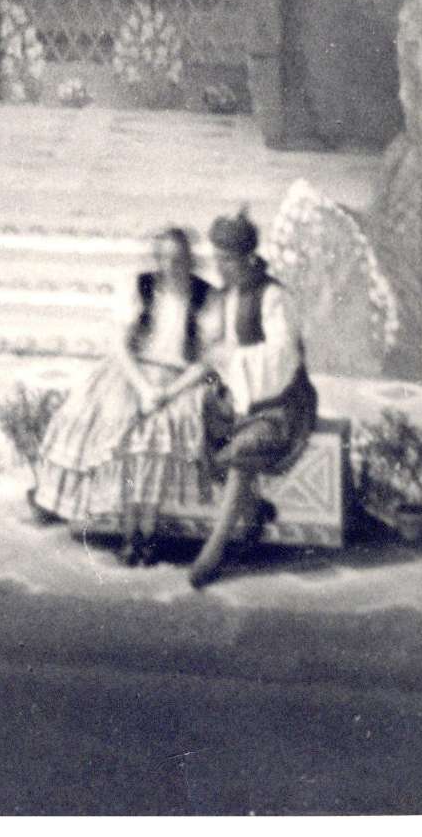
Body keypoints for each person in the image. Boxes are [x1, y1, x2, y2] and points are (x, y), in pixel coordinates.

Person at [28, 228, 217, 565]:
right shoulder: (140, 288)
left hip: (181, 382)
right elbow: (119, 347)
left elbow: (207, 361)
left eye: (179, 258)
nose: (171, 266)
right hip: (133, 374)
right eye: (164, 258)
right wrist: (144, 389)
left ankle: (148, 533)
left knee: (156, 446)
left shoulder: (206, 297)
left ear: (190, 258)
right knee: (123, 438)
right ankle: (131, 533)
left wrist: (168, 393)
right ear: (156, 259)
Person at [187, 208, 318, 590]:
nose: (220, 267)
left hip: (281, 401)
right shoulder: (227, 295)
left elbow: (284, 356)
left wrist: (234, 359)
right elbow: (216, 346)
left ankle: (214, 549)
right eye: (217, 258)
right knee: (200, 424)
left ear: (247, 258)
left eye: (227, 260)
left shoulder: (273, 296)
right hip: (241, 394)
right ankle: (254, 509)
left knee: (245, 449)